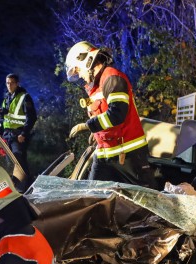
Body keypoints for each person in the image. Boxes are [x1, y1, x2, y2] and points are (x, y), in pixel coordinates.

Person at [65, 41, 156, 189]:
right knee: (92, 196)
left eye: (78, 70)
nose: (79, 75)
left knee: (145, 202)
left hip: (129, 155)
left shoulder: (112, 78)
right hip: (105, 154)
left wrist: (89, 126)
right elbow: (104, 117)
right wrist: (98, 134)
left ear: (87, 61)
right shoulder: (97, 86)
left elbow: (116, 114)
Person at [0, 73, 37, 191]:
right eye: (7, 83)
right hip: (8, 134)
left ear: (17, 83)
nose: (9, 85)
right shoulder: (7, 97)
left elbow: (32, 117)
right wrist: (2, 113)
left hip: (18, 134)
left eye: (12, 83)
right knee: (11, 162)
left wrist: (24, 133)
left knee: (19, 161)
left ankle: (25, 188)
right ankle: (20, 186)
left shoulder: (24, 97)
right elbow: (8, 117)